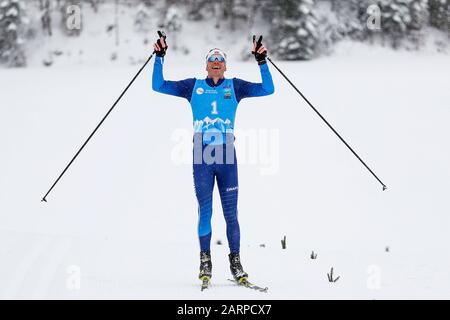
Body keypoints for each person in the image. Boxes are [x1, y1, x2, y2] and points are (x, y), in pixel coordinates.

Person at [152, 32, 274, 285]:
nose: (216, 63)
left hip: (227, 156)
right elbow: (158, 85)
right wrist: (159, 57)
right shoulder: (192, 86)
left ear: (226, 66)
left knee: (231, 214)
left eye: (220, 60)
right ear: (206, 65)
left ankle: (236, 262)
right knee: (205, 212)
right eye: (212, 60)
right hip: (202, 156)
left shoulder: (235, 86)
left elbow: (267, 89)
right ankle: (205, 260)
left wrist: (262, 62)